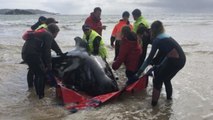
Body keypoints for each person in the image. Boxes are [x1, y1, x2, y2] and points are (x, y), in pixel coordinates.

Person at [136, 20, 186, 106]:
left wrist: (138, 73)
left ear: (153, 30)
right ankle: (169, 101)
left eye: (151, 29)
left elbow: (149, 59)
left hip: (175, 61)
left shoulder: (157, 40)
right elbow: (167, 52)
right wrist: (158, 65)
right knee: (166, 79)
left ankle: (153, 105)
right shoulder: (164, 36)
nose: (150, 31)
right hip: (181, 59)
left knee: (157, 80)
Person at [22, 23, 62, 99]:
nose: (56, 36)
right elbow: (47, 51)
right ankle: (40, 97)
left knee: (34, 72)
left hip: (25, 53)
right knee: (41, 74)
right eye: (57, 33)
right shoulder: (48, 35)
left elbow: (54, 45)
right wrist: (49, 64)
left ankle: (31, 89)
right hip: (33, 55)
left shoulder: (43, 32)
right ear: (54, 32)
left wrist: (60, 53)